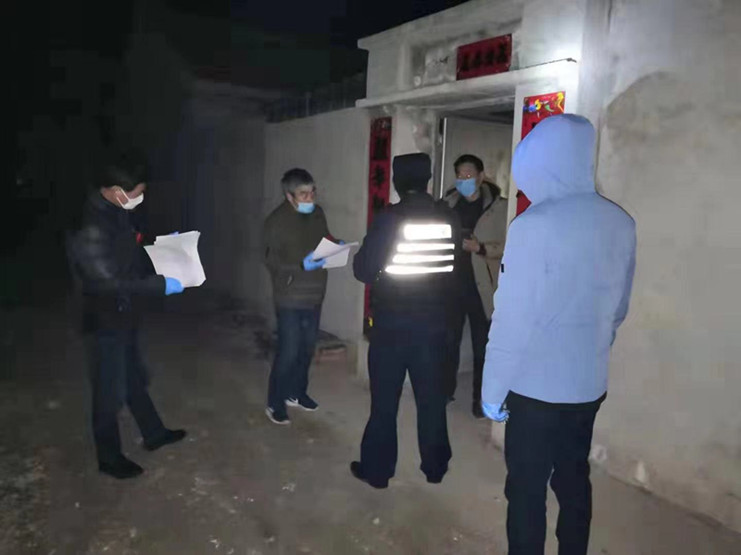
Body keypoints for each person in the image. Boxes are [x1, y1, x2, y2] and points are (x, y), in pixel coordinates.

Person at [481, 114, 636, 555]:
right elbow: (619, 307)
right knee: (573, 478)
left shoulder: (534, 225)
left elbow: (512, 320)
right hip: (588, 384)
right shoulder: (620, 221)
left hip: (536, 391)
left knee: (527, 488)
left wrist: (492, 389)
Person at [67, 150, 187, 480]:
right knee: (109, 391)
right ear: (115, 190)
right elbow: (108, 282)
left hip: (124, 312)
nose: (140, 199)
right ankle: (109, 457)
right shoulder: (90, 228)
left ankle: (154, 433)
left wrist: (164, 252)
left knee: (134, 377)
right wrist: (160, 285)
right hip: (103, 318)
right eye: (136, 194)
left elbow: (129, 254)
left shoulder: (117, 212)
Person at [350, 153, 460, 489]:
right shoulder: (448, 216)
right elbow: (453, 267)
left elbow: (363, 270)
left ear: (397, 182)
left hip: (392, 328)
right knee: (432, 401)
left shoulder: (390, 219)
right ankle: (435, 468)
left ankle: (378, 471)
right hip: (435, 326)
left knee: (384, 403)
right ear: (428, 180)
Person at [263, 168, 338, 425]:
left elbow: (325, 238)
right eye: (303, 194)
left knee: (307, 348)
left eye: (312, 192)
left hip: (315, 292)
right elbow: (271, 261)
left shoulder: (318, 214)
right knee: (289, 350)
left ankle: (296, 393)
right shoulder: (276, 221)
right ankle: (275, 402)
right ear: (289, 196)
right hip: (290, 296)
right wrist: (299, 265)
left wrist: (335, 247)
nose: (310, 198)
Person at [442, 154, 508, 418]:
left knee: (484, 346)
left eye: (469, 175)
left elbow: (508, 245)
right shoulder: (448, 204)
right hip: (451, 286)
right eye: (460, 175)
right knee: (448, 342)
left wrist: (480, 248)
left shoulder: (499, 208)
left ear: (481, 177)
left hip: (483, 287)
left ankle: (480, 401)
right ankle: (444, 391)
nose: (464, 180)